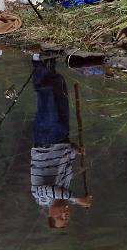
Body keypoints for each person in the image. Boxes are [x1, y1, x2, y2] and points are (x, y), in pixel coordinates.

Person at [29, 56, 91, 228]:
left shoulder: (41, 198)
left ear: (51, 214)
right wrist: (75, 150)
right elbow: (63, 162)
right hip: (62, 138)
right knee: (59, 90)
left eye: (61, 217)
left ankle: (37, 59)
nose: (66, 215)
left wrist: (76, 199)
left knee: (46, 95)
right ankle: (50, 60)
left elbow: (51, 190)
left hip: (46, 139)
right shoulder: (65, 190)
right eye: (67, 218)